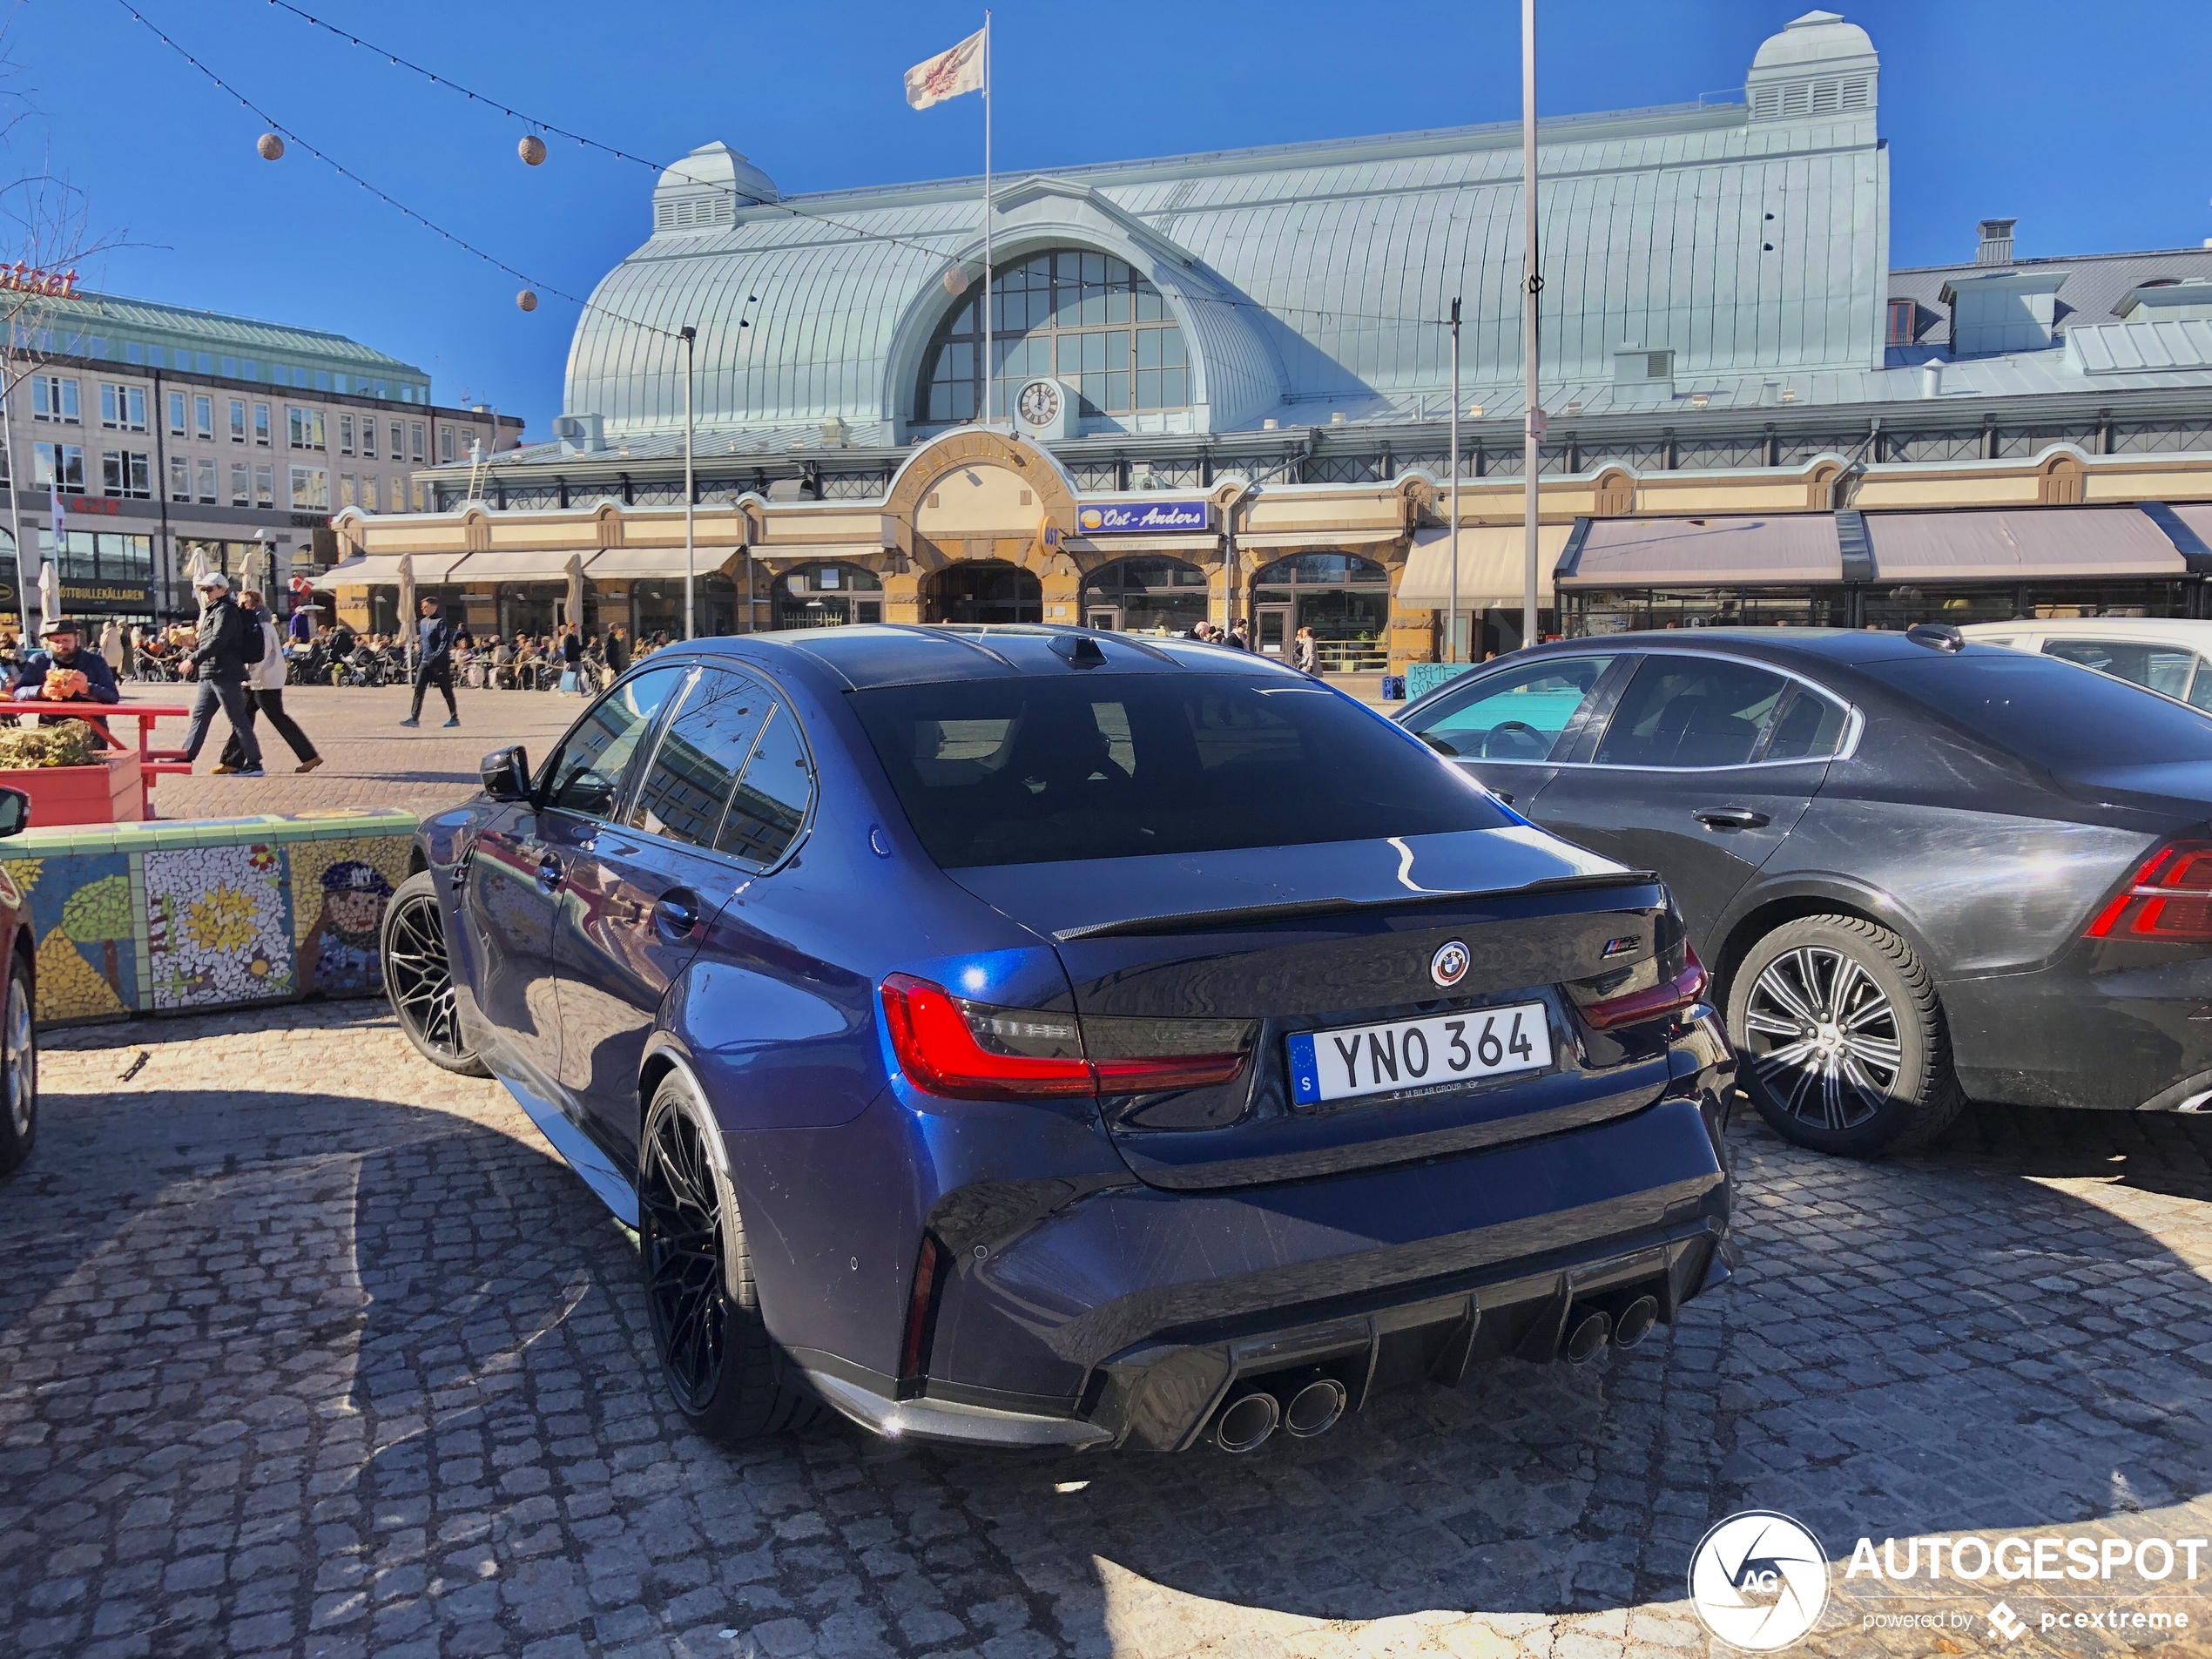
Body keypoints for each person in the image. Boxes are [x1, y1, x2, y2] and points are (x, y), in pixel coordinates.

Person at [217, 590, 321, 775]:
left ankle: (309, 756)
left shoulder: (262, 625)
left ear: (254, 604)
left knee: (275, 718)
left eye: (244, 603)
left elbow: (261, 655)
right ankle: (232, 761)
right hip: (259, 680)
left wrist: (248, 676)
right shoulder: (254, 623)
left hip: (265, 680)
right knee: (244, 719)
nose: (240, 607)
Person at [178, 571, 265, 776]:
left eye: (209, 589)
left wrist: (193, 658)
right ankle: (186, 756)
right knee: (200, 716)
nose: (206, 593)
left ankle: (255, 763)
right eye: (204, 590)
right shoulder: (213, 610)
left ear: (222, 589)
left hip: (224, 672)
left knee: (238, 718)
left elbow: (219, 640)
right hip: (210, 672)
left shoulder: (225, 610)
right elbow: (211, 640)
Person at [13, 617, 123, 745]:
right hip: (51, 733)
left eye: (66, 640)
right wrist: (41, 691)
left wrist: (88, 689)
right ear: (48, 643)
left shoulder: (96, 661)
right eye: (56, 641)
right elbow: (18, 692)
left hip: (91, 733)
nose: (61, 645)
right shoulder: (39, 661)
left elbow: (113, 696)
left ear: (77, 639)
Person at [400, 596, 461, 728]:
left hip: (439, 663)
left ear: (434, 607)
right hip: (425, 662)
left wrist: (435, 656)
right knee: (419, 689)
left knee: (446, 690)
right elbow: (423, 641)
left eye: (425, 607)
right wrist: (419, 656)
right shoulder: (422, 622)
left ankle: (454, 717)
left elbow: (444, 642)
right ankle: (414, 718)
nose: (423, 609)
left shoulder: (441, 622)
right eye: (422, 607)